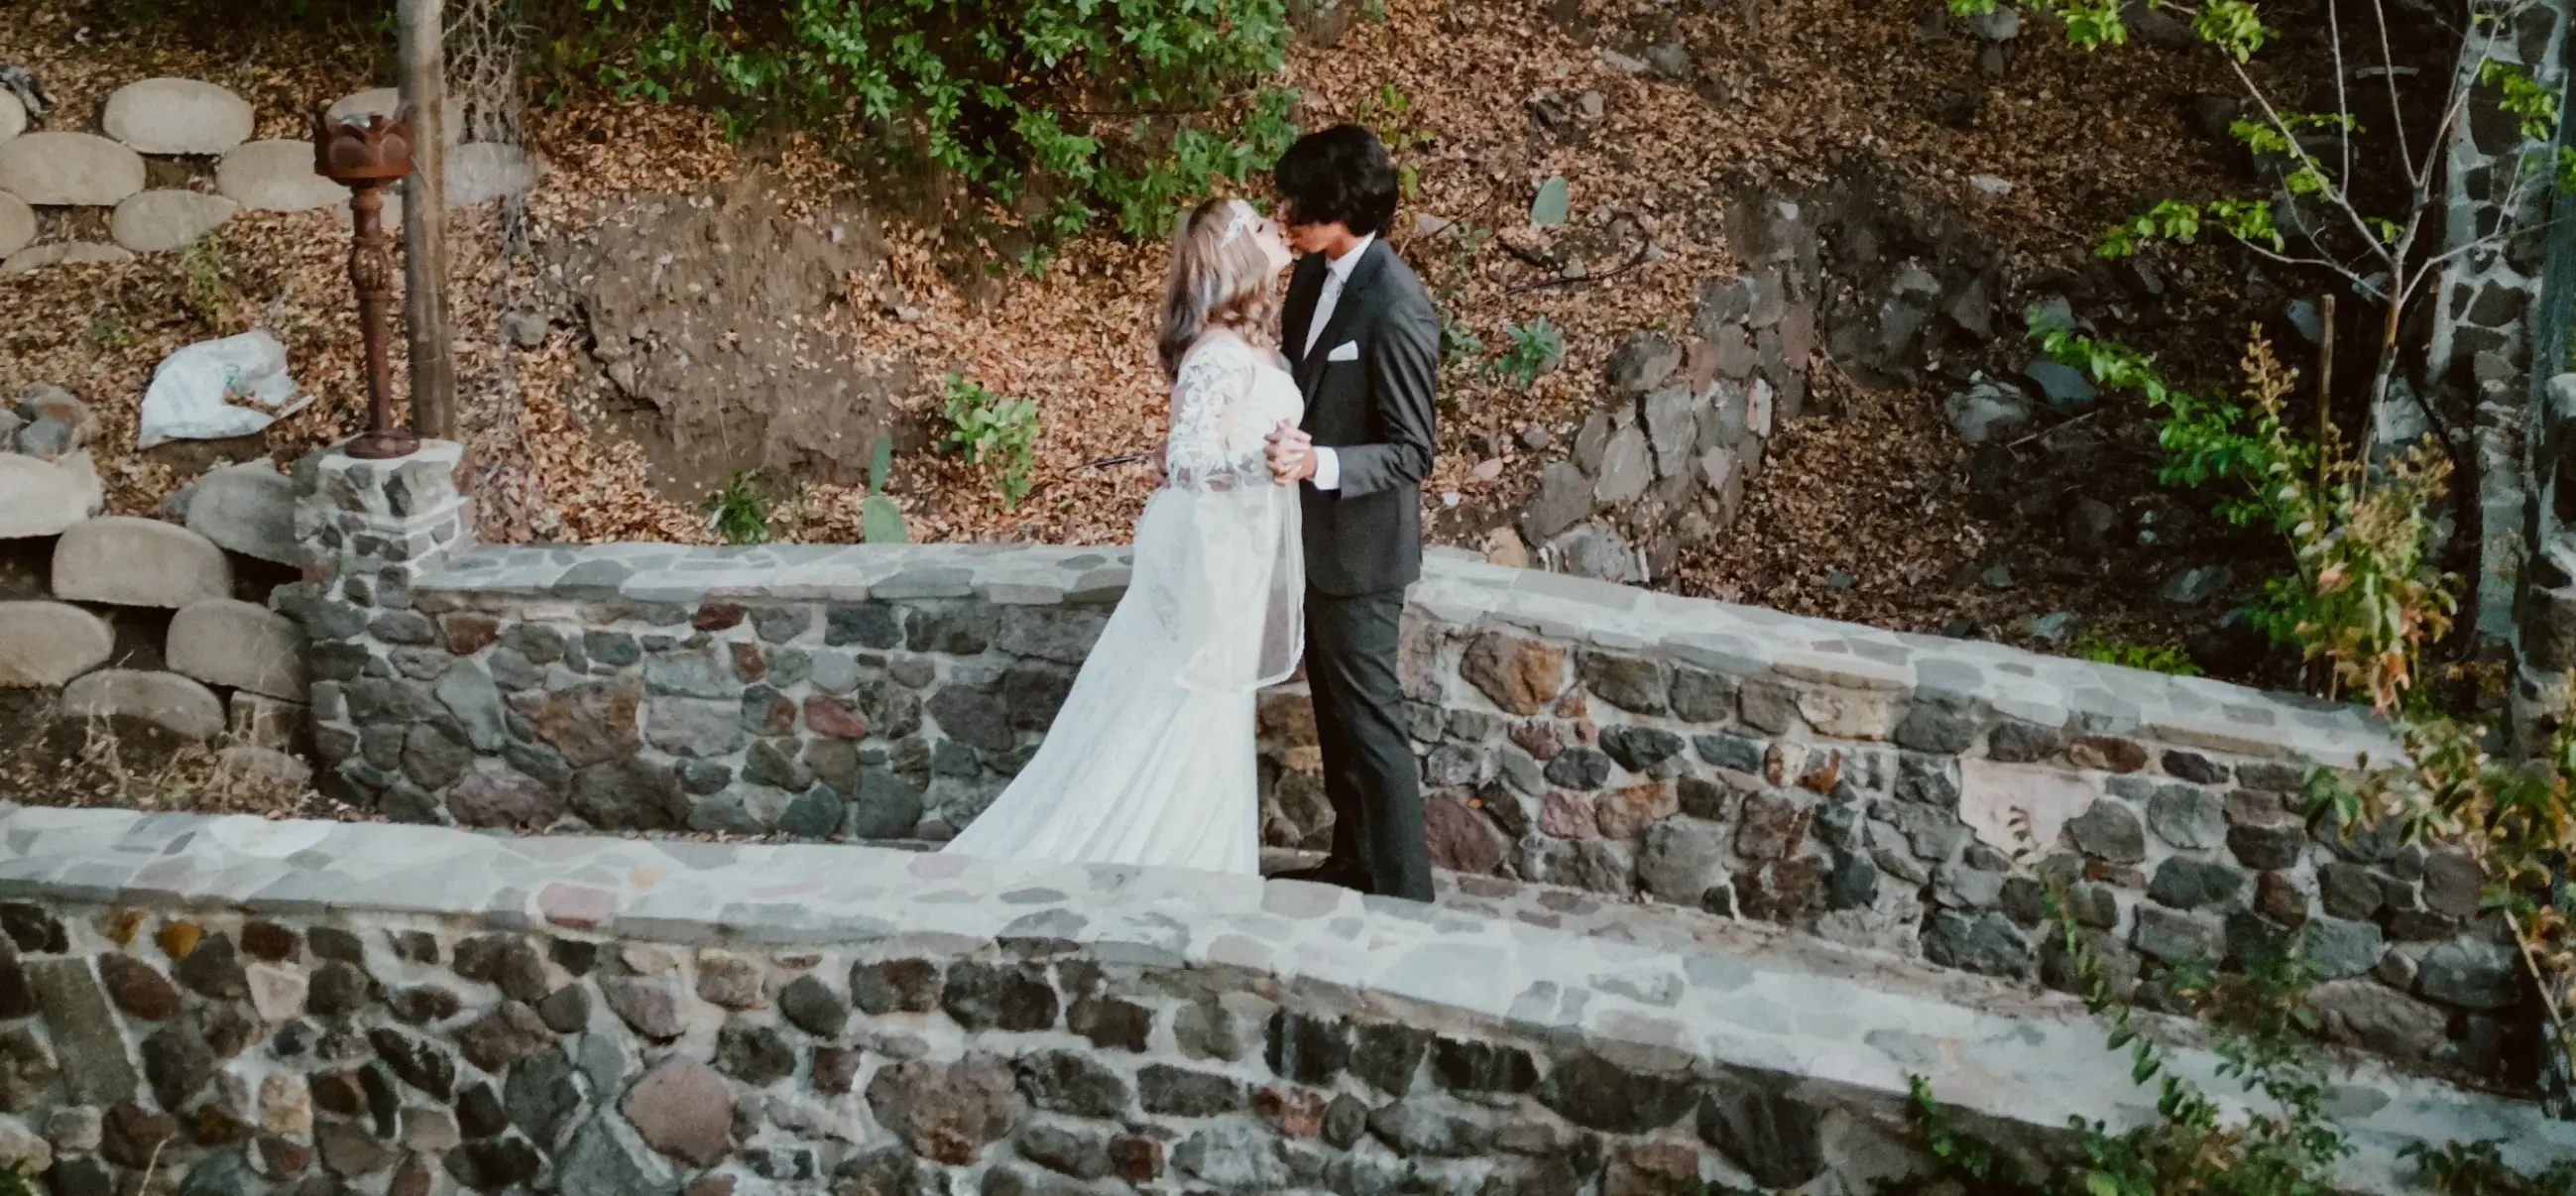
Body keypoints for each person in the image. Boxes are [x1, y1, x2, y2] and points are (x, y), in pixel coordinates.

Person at [940, 196, 1305, 875]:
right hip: (1202, 550)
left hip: (1233, 550)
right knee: (1174, 700)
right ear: (1238, 256)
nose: (1272, 229)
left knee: (1210, 708)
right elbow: (1190, 458)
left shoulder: (1253, 346)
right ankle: (1142, 856)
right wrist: (1264, 461)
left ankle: (1201, 859)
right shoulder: (1219, 356)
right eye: (1258, 225)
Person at [1263, 125, 1442, 902]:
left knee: (1371, 724)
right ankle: (1353, 861)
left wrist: (1319, 464)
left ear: (1342, 208)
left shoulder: (1398, 306)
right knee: (1335, 719)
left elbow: (1412, 450)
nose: (1285, 212)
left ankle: (1406, 894)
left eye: (1300, 201)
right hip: (1312, 542)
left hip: (1365, 551)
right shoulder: (1309, 276)